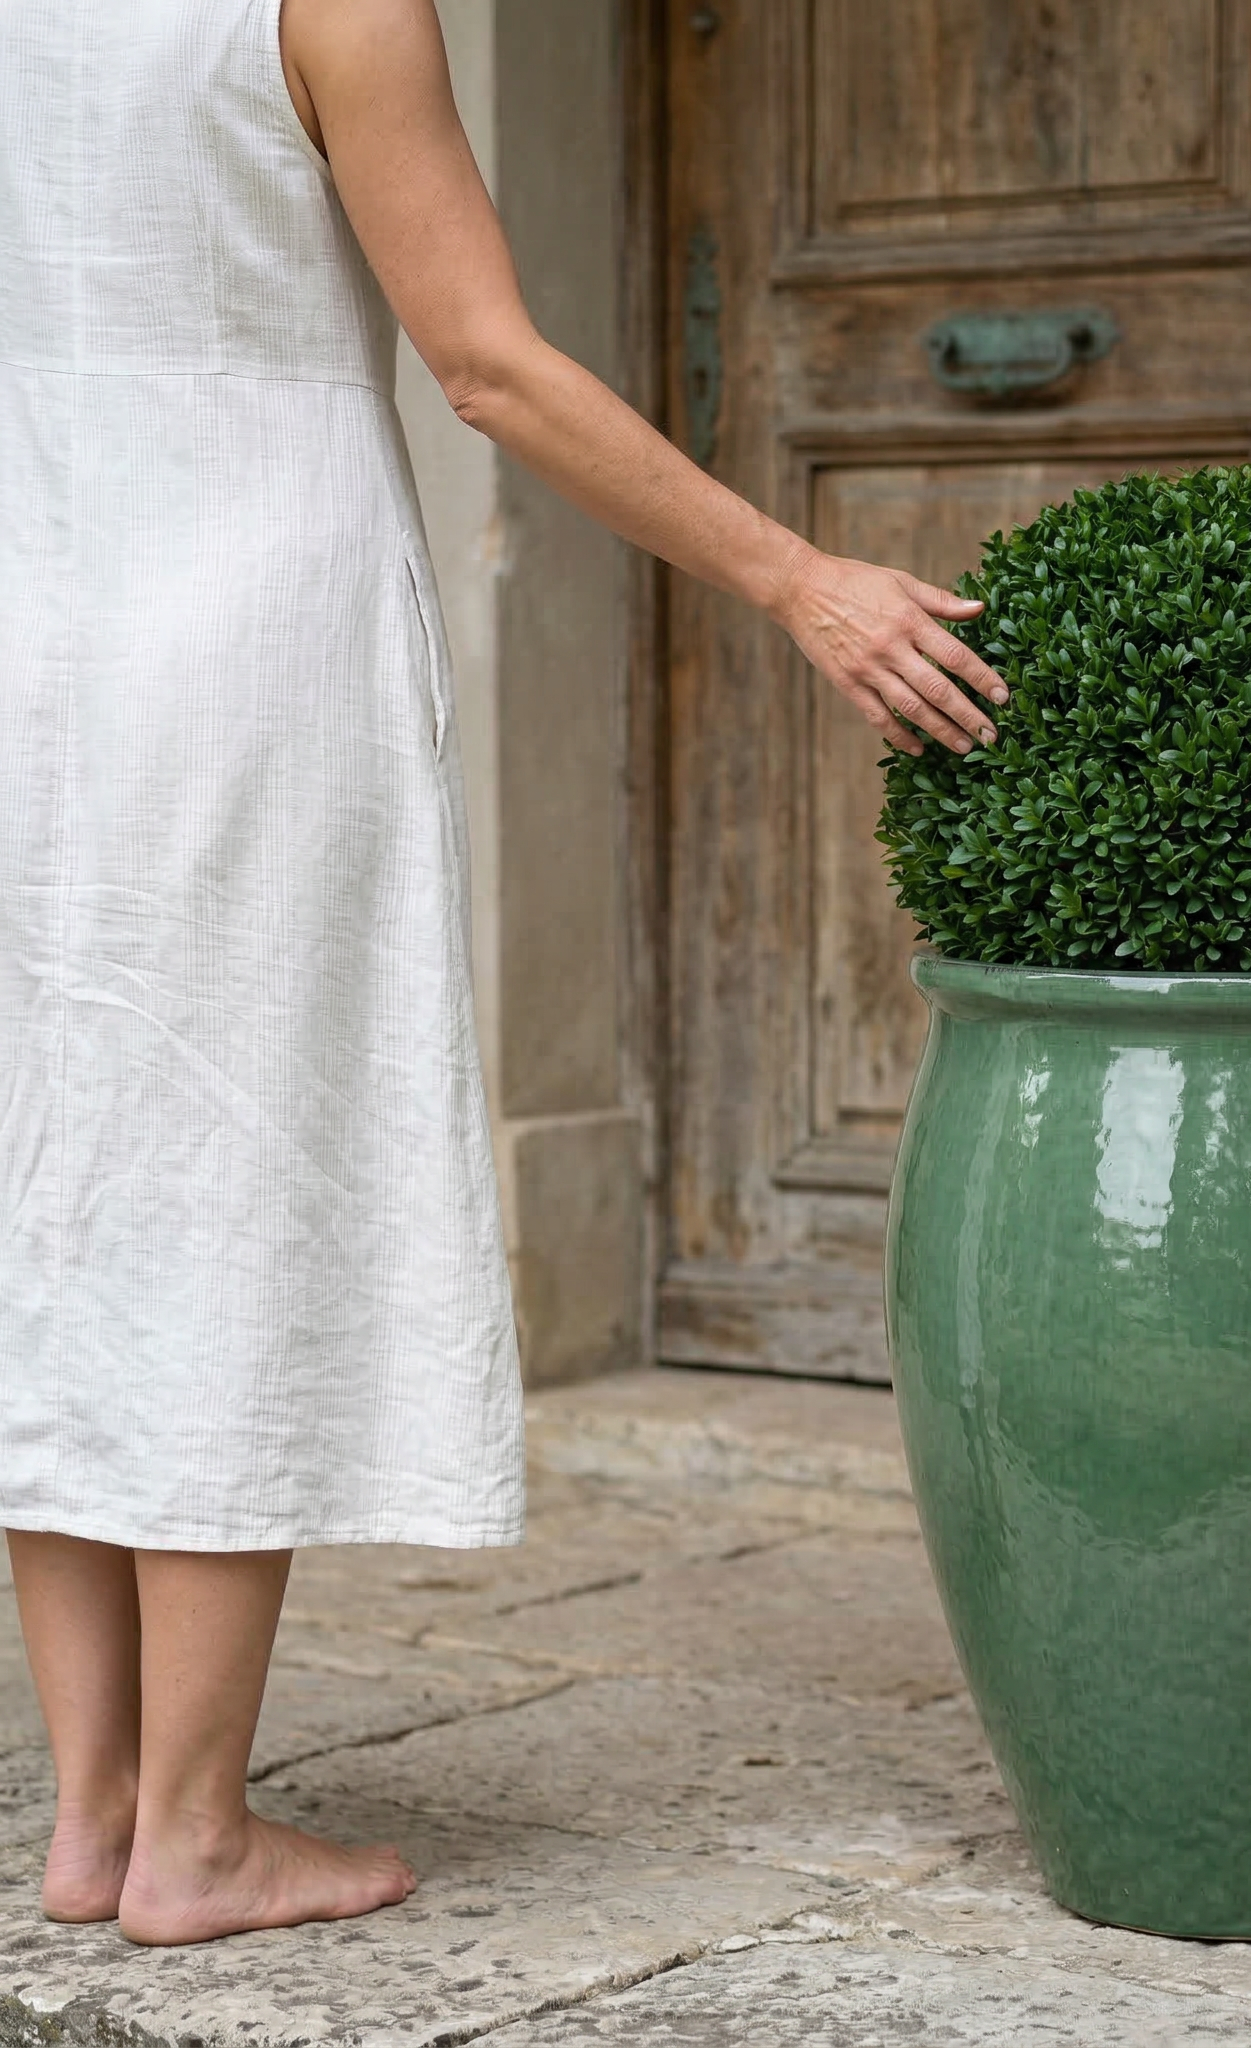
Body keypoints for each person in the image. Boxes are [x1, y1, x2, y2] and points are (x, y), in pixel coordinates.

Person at [0, 0, 1005, 1948]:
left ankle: (99, 1811)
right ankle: (196, 1834)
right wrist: (803, 580)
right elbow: (487, 368)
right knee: (226, 1191)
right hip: (244, 642)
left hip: (37, 625)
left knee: (64, 1196)